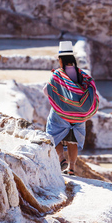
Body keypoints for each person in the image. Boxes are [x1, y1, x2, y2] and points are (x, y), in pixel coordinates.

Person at [43, 41, 99, 176]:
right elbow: (91, 90)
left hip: (62, 115)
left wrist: (61, 100)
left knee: (52, 134)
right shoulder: (83, 75)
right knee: (72, 140)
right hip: (79, 115)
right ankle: (72, 168)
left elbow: (46, 91)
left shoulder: (58, 74)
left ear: (61, 60)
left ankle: (62, 158)